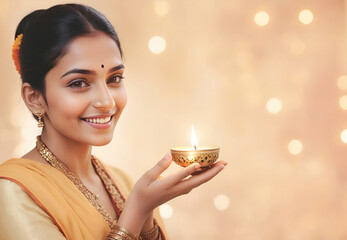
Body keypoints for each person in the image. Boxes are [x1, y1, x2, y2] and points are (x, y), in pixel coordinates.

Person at [0, 3, 227, 240]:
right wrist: (137, 210)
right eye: (79, 83)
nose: (107, 102)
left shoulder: (124, 181)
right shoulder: (13, 192)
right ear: (35, 98)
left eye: (114, 78)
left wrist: (147, 215)